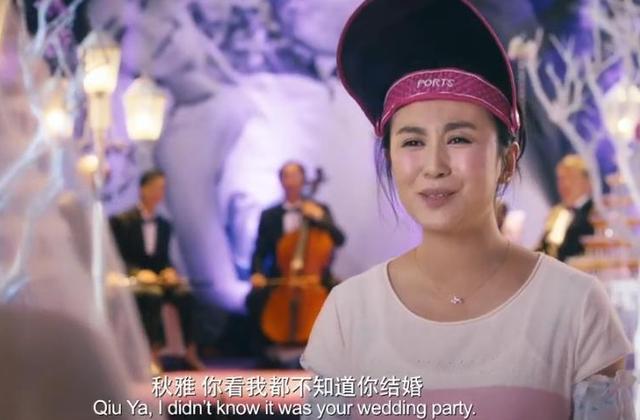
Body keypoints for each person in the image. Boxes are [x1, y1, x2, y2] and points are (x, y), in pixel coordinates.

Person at [300, 1, 634, 419]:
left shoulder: (576, 305)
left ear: (507, 161)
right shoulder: (349, 311)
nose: (434, 166)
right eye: (412, 142)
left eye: (458, 139)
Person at [246, 161, 345, 362]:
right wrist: (257, 273)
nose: (291, 181)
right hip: (282, 278)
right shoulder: (270, 215)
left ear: (303, 180)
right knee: (253, 299)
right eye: (286, 176)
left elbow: (339, 239)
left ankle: (334, 354)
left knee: (341, 298)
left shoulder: (319, 209)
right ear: (281, 181)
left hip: (315, 279)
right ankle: (265, 354)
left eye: (295, 176)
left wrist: (320, 218)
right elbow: (260, 250)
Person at [109, 169, 204, 371]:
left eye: (162, 189)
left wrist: (169, 271)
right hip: (132, 280)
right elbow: (116, 257)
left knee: (185, 295)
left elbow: (163, 259)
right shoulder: (122, 221)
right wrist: (137, 273)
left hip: (157, 279)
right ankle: (151, 354)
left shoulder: (164, 225)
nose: (159, 193)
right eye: (155, 188)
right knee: (151, 296)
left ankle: (190, 351)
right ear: (143, 189)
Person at [537, 154, 594, 262]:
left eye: (571, 178)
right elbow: (544, 249)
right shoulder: (557, 213)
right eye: (561, 179)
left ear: (587, 182)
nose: (565, 184)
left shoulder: (596, 214)